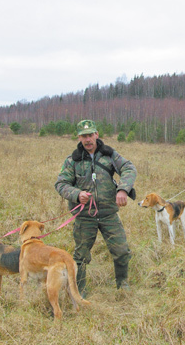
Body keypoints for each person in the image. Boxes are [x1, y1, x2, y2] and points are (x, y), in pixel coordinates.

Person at [55, 119, 137, 293]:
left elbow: (129, 168)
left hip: (108, 214)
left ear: (97, 135)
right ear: (79, 138)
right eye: (84, 136)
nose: (88, 140)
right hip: (85, 215)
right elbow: (61, 184)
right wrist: (77, 194)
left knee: (122, 251)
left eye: (90, 135)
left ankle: (122, 284)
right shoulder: (72, 161)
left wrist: (123, 190)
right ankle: (79, 290)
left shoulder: (109, 155)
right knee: (80, 257)